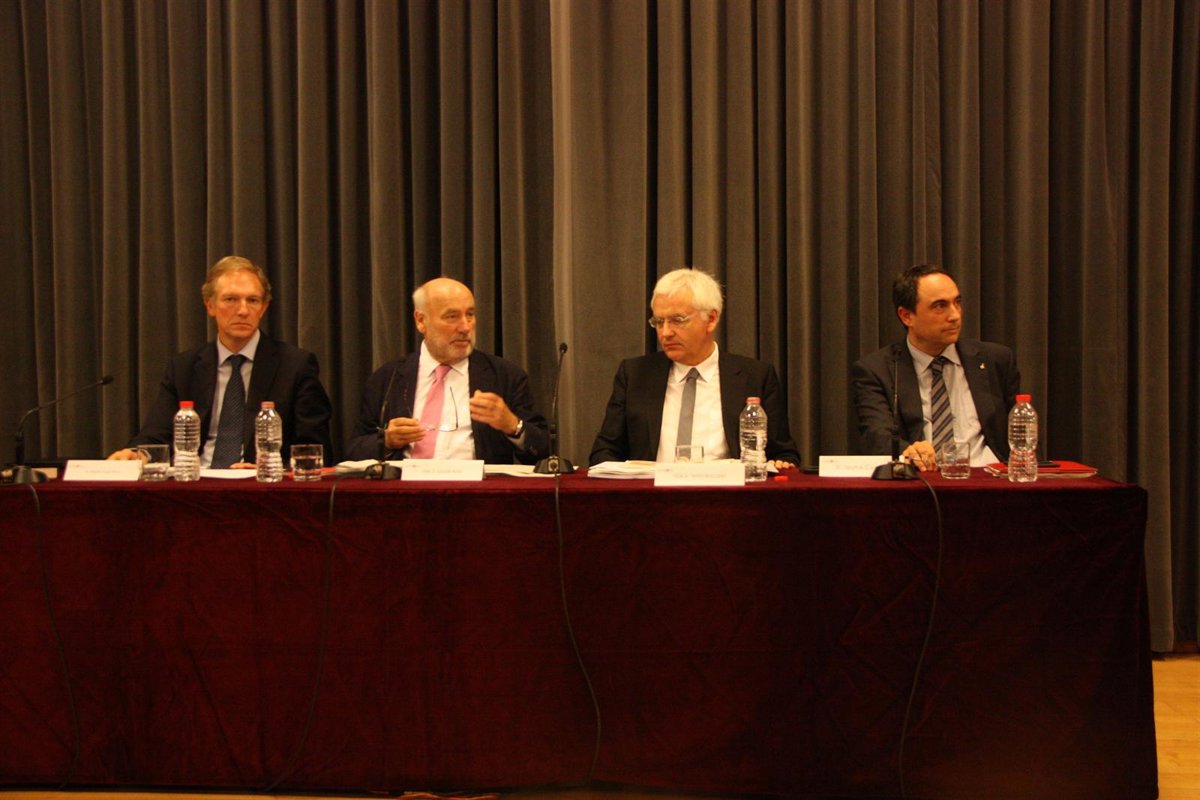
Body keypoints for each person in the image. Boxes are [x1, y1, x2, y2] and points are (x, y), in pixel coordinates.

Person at [109, 256, 335, 466]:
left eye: (253, 300)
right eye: (231, 299)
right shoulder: (184, 367)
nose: (243, 310)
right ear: (210, 306)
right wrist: (138, 453)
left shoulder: (294, 366)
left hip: (260, 484)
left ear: (263, 308)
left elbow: (314, 449)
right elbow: (156, 433)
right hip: (196, 480)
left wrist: (265, 469)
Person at [589, 267, 800, 469]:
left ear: (711, 319)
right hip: (652, 491)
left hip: (728, 492)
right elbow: (604, 452)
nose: (665, 333)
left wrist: (781, 464)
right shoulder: (635, 375)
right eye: (659, 322)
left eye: (677, 320)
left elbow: (783, 454)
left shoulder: (755, 377)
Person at [345, 277, 549, 464]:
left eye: (470, 315)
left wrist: (512, 425)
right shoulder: (388, 378)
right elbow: (354, 451)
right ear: (421, 321)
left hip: (478, 489)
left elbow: (543, 452)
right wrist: (387, 441)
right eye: (452, 316)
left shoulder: (505, 376)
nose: (465, 327)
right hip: (406, 487)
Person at [851, 264, 1020, 470]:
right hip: (923, 479)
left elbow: (1022, 435)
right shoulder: (877, 370)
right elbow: (877, 437)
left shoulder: (995, 360)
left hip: (989, 478)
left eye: (957, 302)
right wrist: (909, 452)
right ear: (906, 316)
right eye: (940, 306)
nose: (955, 315)